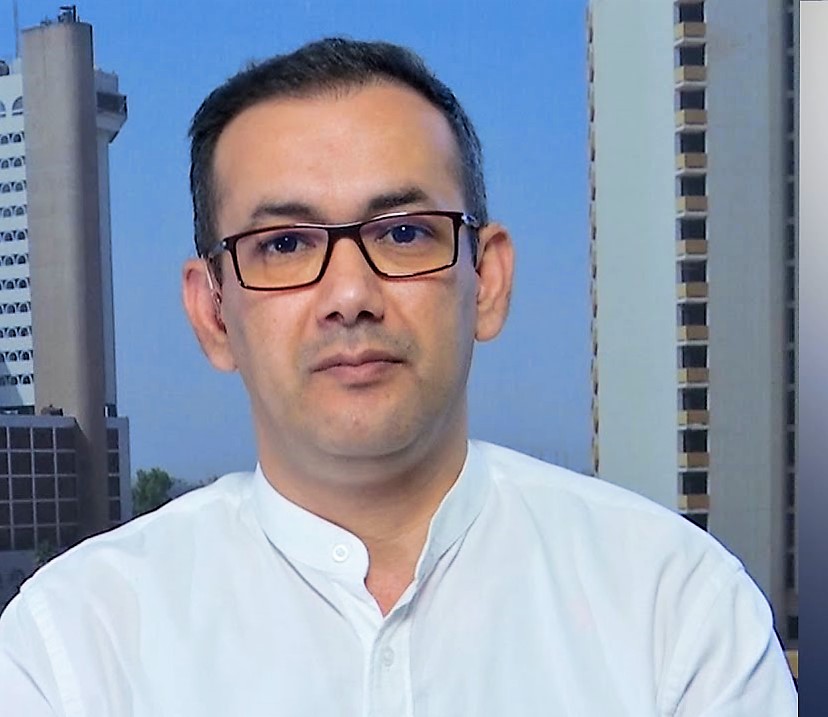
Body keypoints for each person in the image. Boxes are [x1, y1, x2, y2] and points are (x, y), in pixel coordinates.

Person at [0, 38, 796, 715]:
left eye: (406, 233)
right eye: (285, 244)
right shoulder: (76, 644)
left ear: (487, 280)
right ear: (213, 312)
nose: (350, 295)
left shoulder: (675, 608)